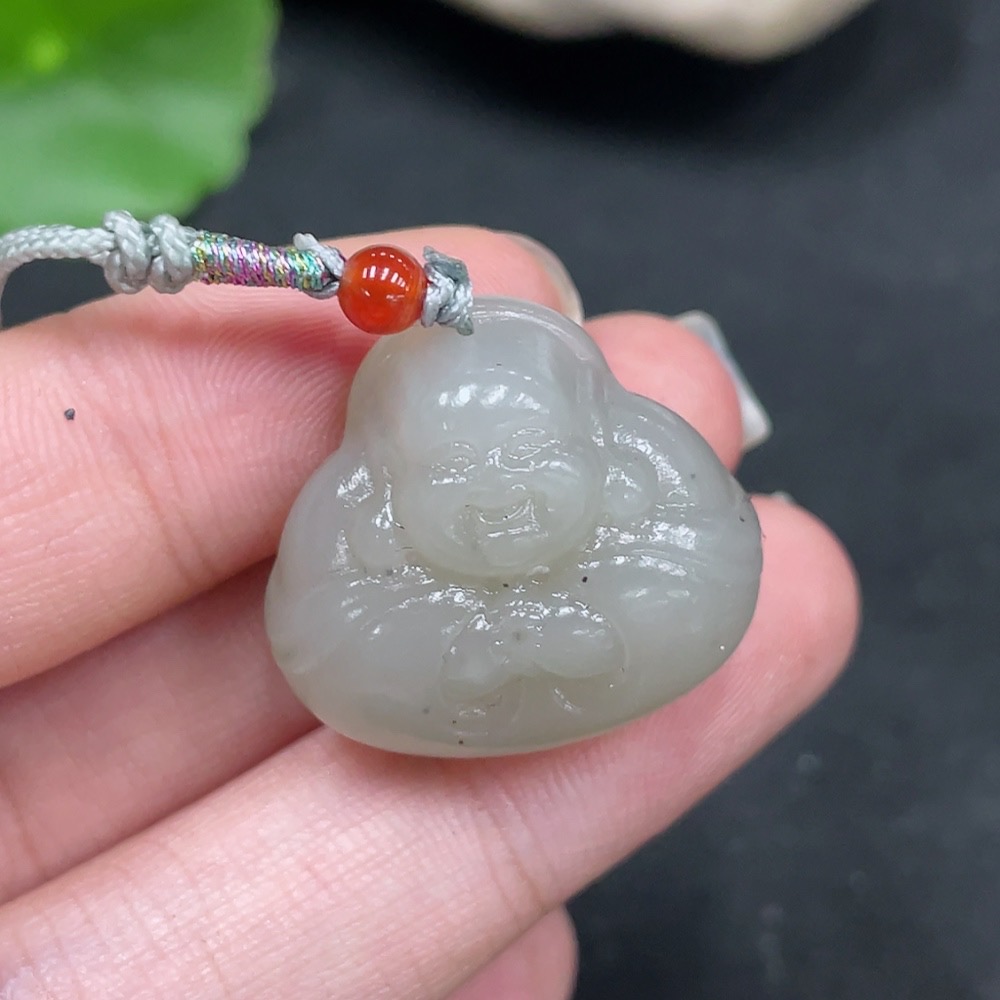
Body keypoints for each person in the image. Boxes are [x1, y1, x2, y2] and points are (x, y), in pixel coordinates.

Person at [0, 227, 859, 999]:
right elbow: (326, 637)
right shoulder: (354, 533)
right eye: (448, 472)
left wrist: (595, 632)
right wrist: (467, 652)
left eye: (533, 453)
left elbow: (704, 563)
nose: (499, 493)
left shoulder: (653, 482)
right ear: (387, 496)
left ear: (610, 462)